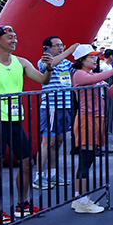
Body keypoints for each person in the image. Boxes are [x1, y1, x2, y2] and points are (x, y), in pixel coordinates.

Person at [0, 25, 54, 224]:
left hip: (15, 122)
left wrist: (48, 68)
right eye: (10, 37)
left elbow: (43, 80)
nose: (14, 40)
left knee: (27, 162)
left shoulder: (21, 62)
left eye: (15, 37)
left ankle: (23, 205)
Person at [70, 45, 113, 213]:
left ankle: (79, 198)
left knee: (86, 159)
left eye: (96, 57)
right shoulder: (80, 74)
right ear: (82, 60)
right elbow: (104, 76)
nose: (95, 59)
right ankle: (82, 200)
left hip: (95, 119)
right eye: (91, 57)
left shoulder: (90, 75)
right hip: (86, 119)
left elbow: (109, 93)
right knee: (86, 158)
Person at [35, 35, 79, 190]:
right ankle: (38, 176)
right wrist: (69, 50)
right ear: (48, 48)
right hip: (51, 107)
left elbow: (79, 68)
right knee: (48, 142)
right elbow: (50, 65)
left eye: (62, 45)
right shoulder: (44, 61)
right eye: (57, 45)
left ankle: (52, 174)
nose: (61, 47)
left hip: (64, 106)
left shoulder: (67, 63)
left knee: (59, 141)